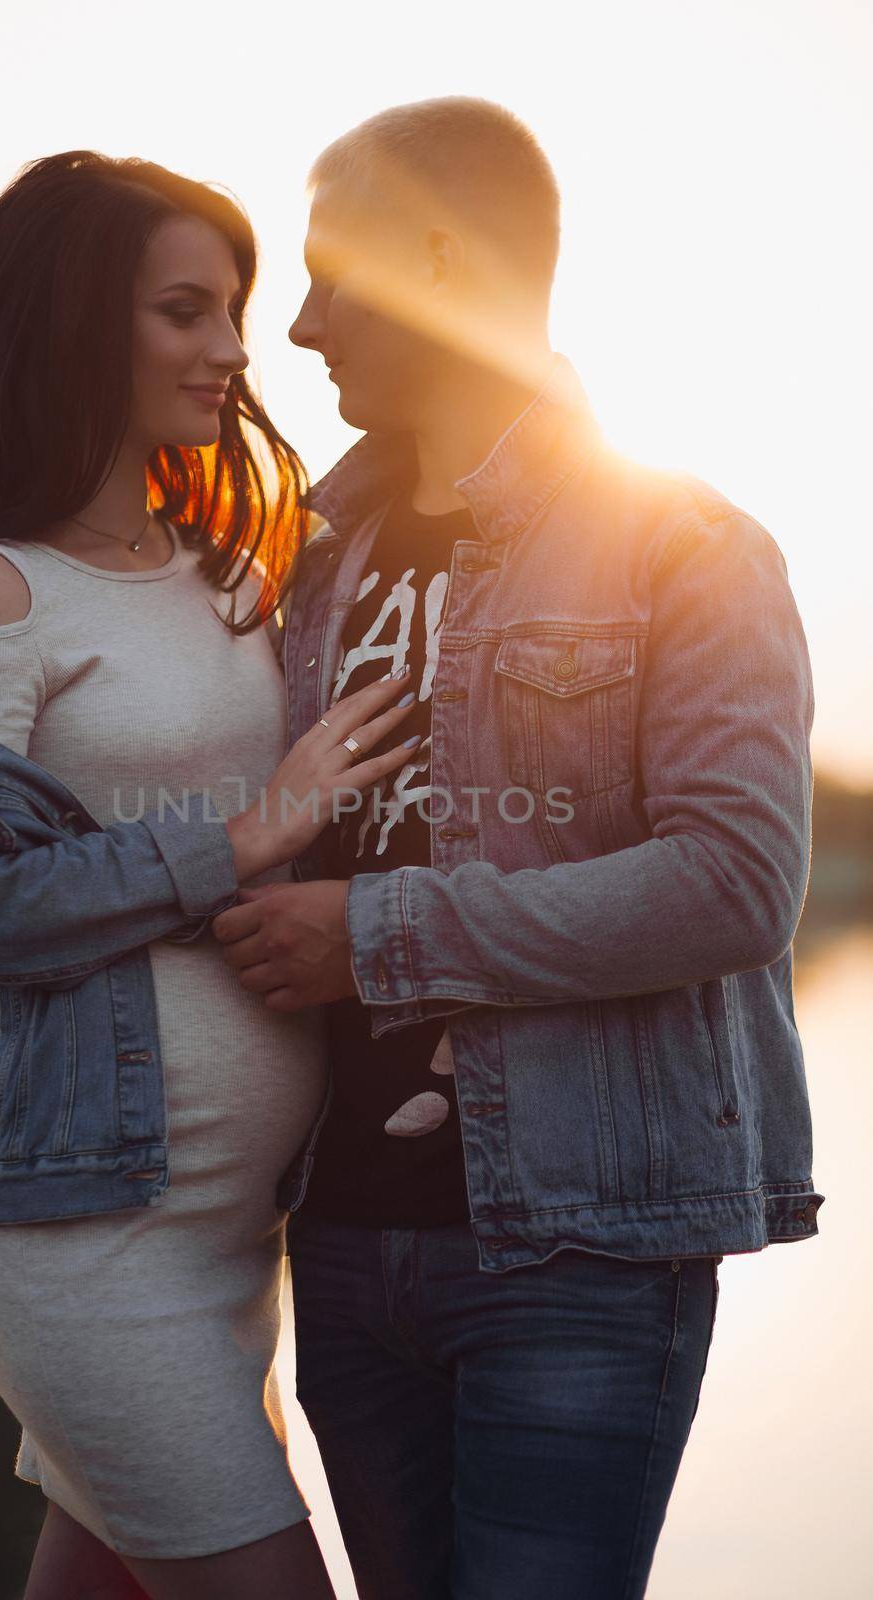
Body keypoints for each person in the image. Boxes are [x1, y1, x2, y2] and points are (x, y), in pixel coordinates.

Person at [212, 97, 825, 1599]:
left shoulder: (685, 542)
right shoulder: (313, 558)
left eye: (328, 278)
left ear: (433, 258)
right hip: (341, 1241)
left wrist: (374, 932)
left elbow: (737, 884)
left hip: (581, 1247)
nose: (296, 330)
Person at [0, 150, 424, 1600]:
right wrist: (241, 840)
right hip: (76, 1231)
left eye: (233, 312)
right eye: (185, 313)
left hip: (233, 1236)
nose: (231, 350)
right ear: (77, 323)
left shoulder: (230, 573)